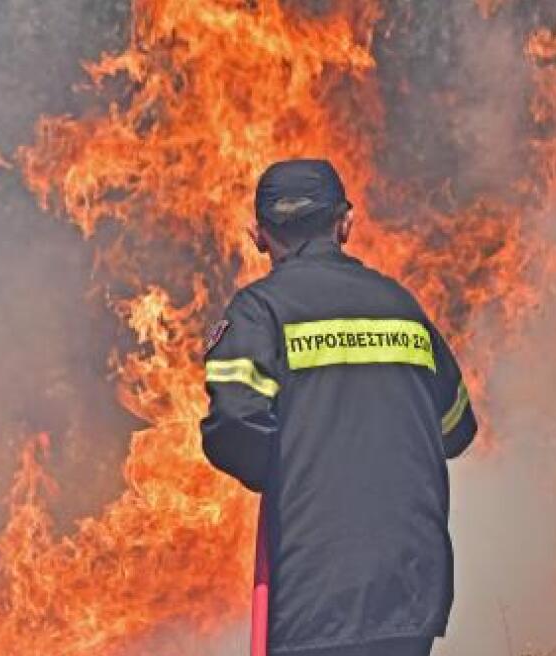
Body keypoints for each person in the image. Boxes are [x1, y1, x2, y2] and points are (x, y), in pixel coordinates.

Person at [199, 159, 477, 656]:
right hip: (410, 589)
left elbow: (234, 423)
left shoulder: (259, 312)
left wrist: (291, 468)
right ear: (344, 223)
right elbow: (455, 428)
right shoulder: (402, 307)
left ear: (259, 235)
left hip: (316, 591)